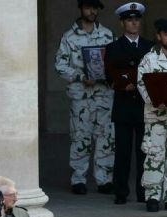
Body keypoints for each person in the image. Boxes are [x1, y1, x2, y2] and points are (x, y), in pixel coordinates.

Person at [55, 0, 115, 195]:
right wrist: (81, 77)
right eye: (89, 7)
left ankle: (104, 179)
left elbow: (113, 62)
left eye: (96, 8)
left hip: (103, 95)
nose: (92, 11)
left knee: (105, 137)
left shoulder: (106, 34)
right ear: (81, 8)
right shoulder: (69, 37)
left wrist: (107, 74)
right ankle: (78, 179)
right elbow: (60, 65)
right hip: (81, 95)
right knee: (80, 137)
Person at [106, 3, 153, 205]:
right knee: (123, 152)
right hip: (124, 105)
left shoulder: (149, 46)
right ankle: (121, 192)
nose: (134, 23)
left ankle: (143, 192)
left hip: (143, 106)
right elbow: (109, 75)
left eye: (136, 20)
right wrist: (120, 85)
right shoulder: (113, 47)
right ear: (123, 23)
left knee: (144, 151)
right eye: (129, 20)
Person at [137, 18, 167, 212]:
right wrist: (154, 100)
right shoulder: (149, 59)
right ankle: (152, 195)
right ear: (159, 36)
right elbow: (141, 83)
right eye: (166, 34)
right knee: (154, 154)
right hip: (155, 114)